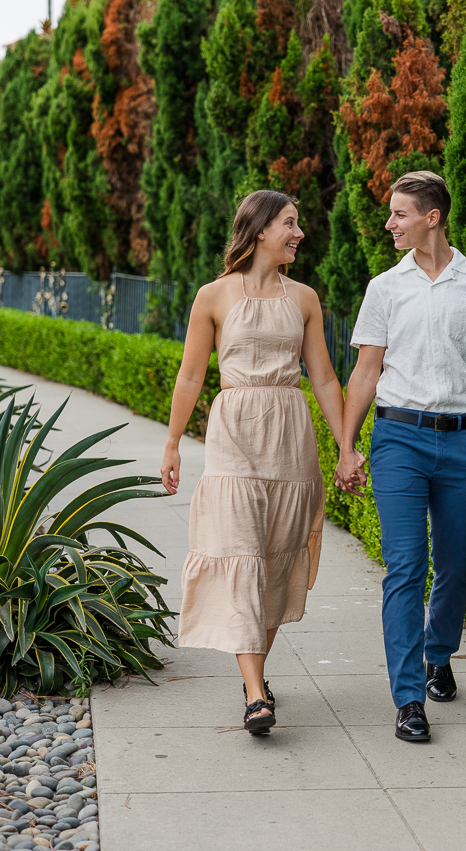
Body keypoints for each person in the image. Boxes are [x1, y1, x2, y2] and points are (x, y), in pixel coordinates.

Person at [335, 170, 466, 742]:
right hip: (399, 440)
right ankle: (409, 698)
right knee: (406, 567)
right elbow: (365, 373)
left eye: (400, 214)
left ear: (432, 217)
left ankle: (440, 654)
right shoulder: (385, 289)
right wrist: (346, 445)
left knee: (455, 564)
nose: (389, 223)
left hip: (465, 443)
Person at [161, 190, 345, 735]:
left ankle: (255, 675)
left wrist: (348, 446)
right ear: (260, 229)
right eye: (290, 223)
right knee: (239, 551)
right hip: (234, 433)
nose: (300, 233)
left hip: (290, 437)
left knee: (272, 559)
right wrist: (171, 443)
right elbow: (191, 375)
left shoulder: (305, 299)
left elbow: (326, 378)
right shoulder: (213, 296)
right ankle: (255, 693)